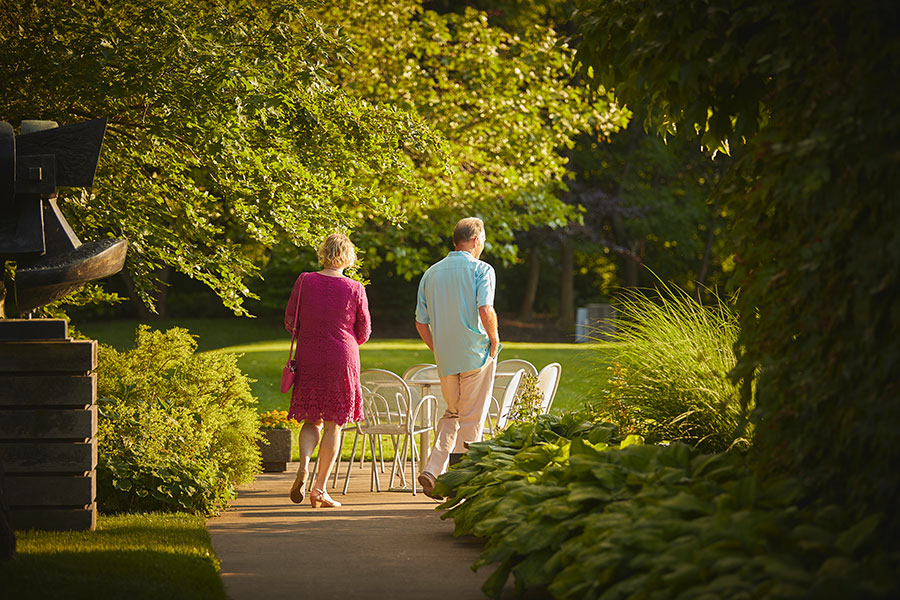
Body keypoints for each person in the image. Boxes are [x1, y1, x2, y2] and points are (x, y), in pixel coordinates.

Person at [414, 217, 500, 499]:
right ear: (475, 240)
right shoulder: (482, 269)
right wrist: (495, 340)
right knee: (471, 420)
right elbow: (485, 308)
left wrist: (438, 348)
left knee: (453, 413)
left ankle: (433, 470)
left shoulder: (431, 273)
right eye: (483, 239)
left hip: (447, 358)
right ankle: (460, 485)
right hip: (475, 354)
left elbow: (421, 322)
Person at [284, 233, 371, 508]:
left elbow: (290, 321)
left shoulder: (304, 280)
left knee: (312, 420)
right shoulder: (355, 288)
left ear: (323, 253)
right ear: (348, 256)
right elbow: (364, 331)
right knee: (334, 423)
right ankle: (319, 489)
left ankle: (303, 466)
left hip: (309, 355)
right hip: (342, 359)